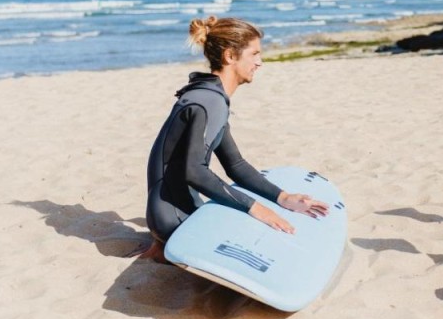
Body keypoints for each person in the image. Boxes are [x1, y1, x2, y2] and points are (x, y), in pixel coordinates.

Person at [140, 16, 328, 262]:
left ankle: (158, 249)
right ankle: (161, 251)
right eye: (254, 54)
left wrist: (283, 198)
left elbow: (235, 164)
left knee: (261, 216)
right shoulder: (211, 101)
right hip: (175, 222)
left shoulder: (209, 94)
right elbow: (194, 172)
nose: (260, 62)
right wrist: (257, 209)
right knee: (276, 238)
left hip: (167, 212)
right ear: (230, 56)